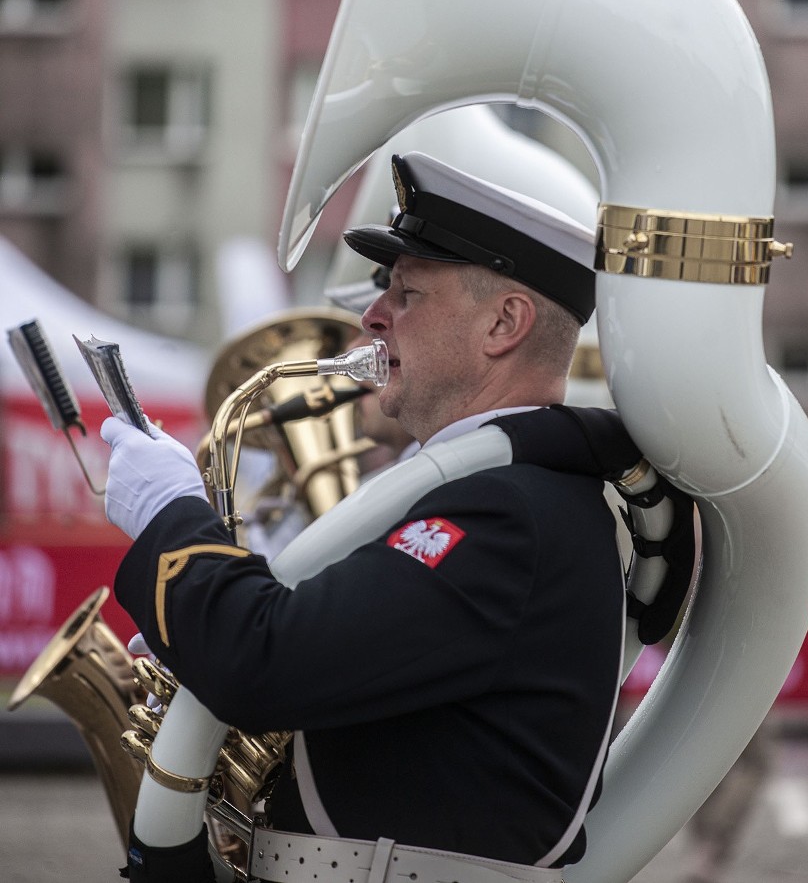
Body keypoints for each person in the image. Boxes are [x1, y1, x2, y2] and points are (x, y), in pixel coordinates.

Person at [101, 151, 649, 883]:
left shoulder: (508, 509)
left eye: (408, 291)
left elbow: (267, 660)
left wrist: (171, 515)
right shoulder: (506, 493)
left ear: (504, 322)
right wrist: (195, 637)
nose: (371, 315)